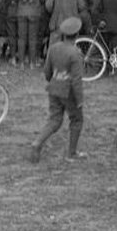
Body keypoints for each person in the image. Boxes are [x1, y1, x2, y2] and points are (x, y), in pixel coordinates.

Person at [29, 17, 85, 162]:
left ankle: (37, 142)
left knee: (54, 119)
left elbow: (47, 70)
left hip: (54, 88)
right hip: (68, 92)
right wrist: (79, 100)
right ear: (77, 35)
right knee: (77, 120)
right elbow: (76, 80)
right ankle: (71, 153)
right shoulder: (75, 53)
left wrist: (53, 81)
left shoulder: (54, 48)